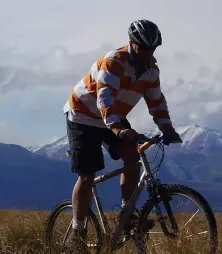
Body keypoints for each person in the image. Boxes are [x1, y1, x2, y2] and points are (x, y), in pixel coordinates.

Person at [62, 19, 183, 248]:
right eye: (144, 48)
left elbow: (156, 102)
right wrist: (118, 129)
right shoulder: (114, 61)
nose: (148, 53)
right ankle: (76, 232)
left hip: (112, 115)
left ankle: (127, 217)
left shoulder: (151, 71)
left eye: (152, 49)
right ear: (131, 43)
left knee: (133, 156)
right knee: (87, 174)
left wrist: (167, 129)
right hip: (83, 114)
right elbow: (104, 99)